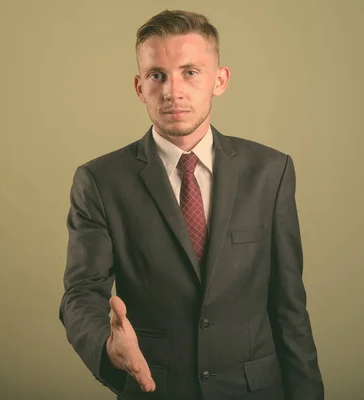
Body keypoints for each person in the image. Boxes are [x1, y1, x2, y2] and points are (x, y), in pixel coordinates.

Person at [58, 9, 324, 400]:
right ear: (139, 86)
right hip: (156, 388)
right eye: (157, 75)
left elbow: (289, 305)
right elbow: (80, 293)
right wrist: (106, 345)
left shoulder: (271, 171)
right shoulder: (100, 181)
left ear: (220, 80)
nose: (172, 91)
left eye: (190, 72)